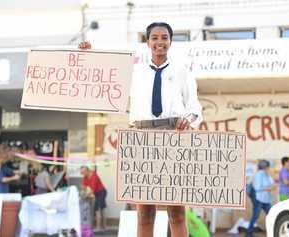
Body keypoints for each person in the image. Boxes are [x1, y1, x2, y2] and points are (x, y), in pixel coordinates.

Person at [78, 21, 202, 237]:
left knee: (177, 212)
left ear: (170, 41)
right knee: (144, 213)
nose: (160, 42)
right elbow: (105, 76)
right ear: (148, 42)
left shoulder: (182, 71)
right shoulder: (135, 71)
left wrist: (188, 119)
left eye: (164, 37)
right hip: (141, 139)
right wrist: (89, 56)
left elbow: (194, 107)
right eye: (155, 38)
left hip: (173, 137)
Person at [247, 160, 274, 237]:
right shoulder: (259, 174)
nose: (269, 168)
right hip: (258, 199)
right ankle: (249, 233)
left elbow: (271, 182)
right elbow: (257, 187)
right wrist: (267, 188)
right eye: (268, 167)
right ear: (265, 167)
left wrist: (270, 186)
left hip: (265, 199)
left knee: (271, 214)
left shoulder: (266, 174)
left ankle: (272, 232)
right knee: (255, 215)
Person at [80, 166, 107, 231]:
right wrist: (83, 190)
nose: (82, 174)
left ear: (87, 171)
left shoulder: (94, 176)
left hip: (101, 192)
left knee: (97, 209)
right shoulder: (85, 177)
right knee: (102, 209)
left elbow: (92, 190)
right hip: (96, 193)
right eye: (81, 173)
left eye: (83, 172)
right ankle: (104, 227)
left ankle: (98, 227)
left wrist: (84, 196)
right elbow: (84, 187)